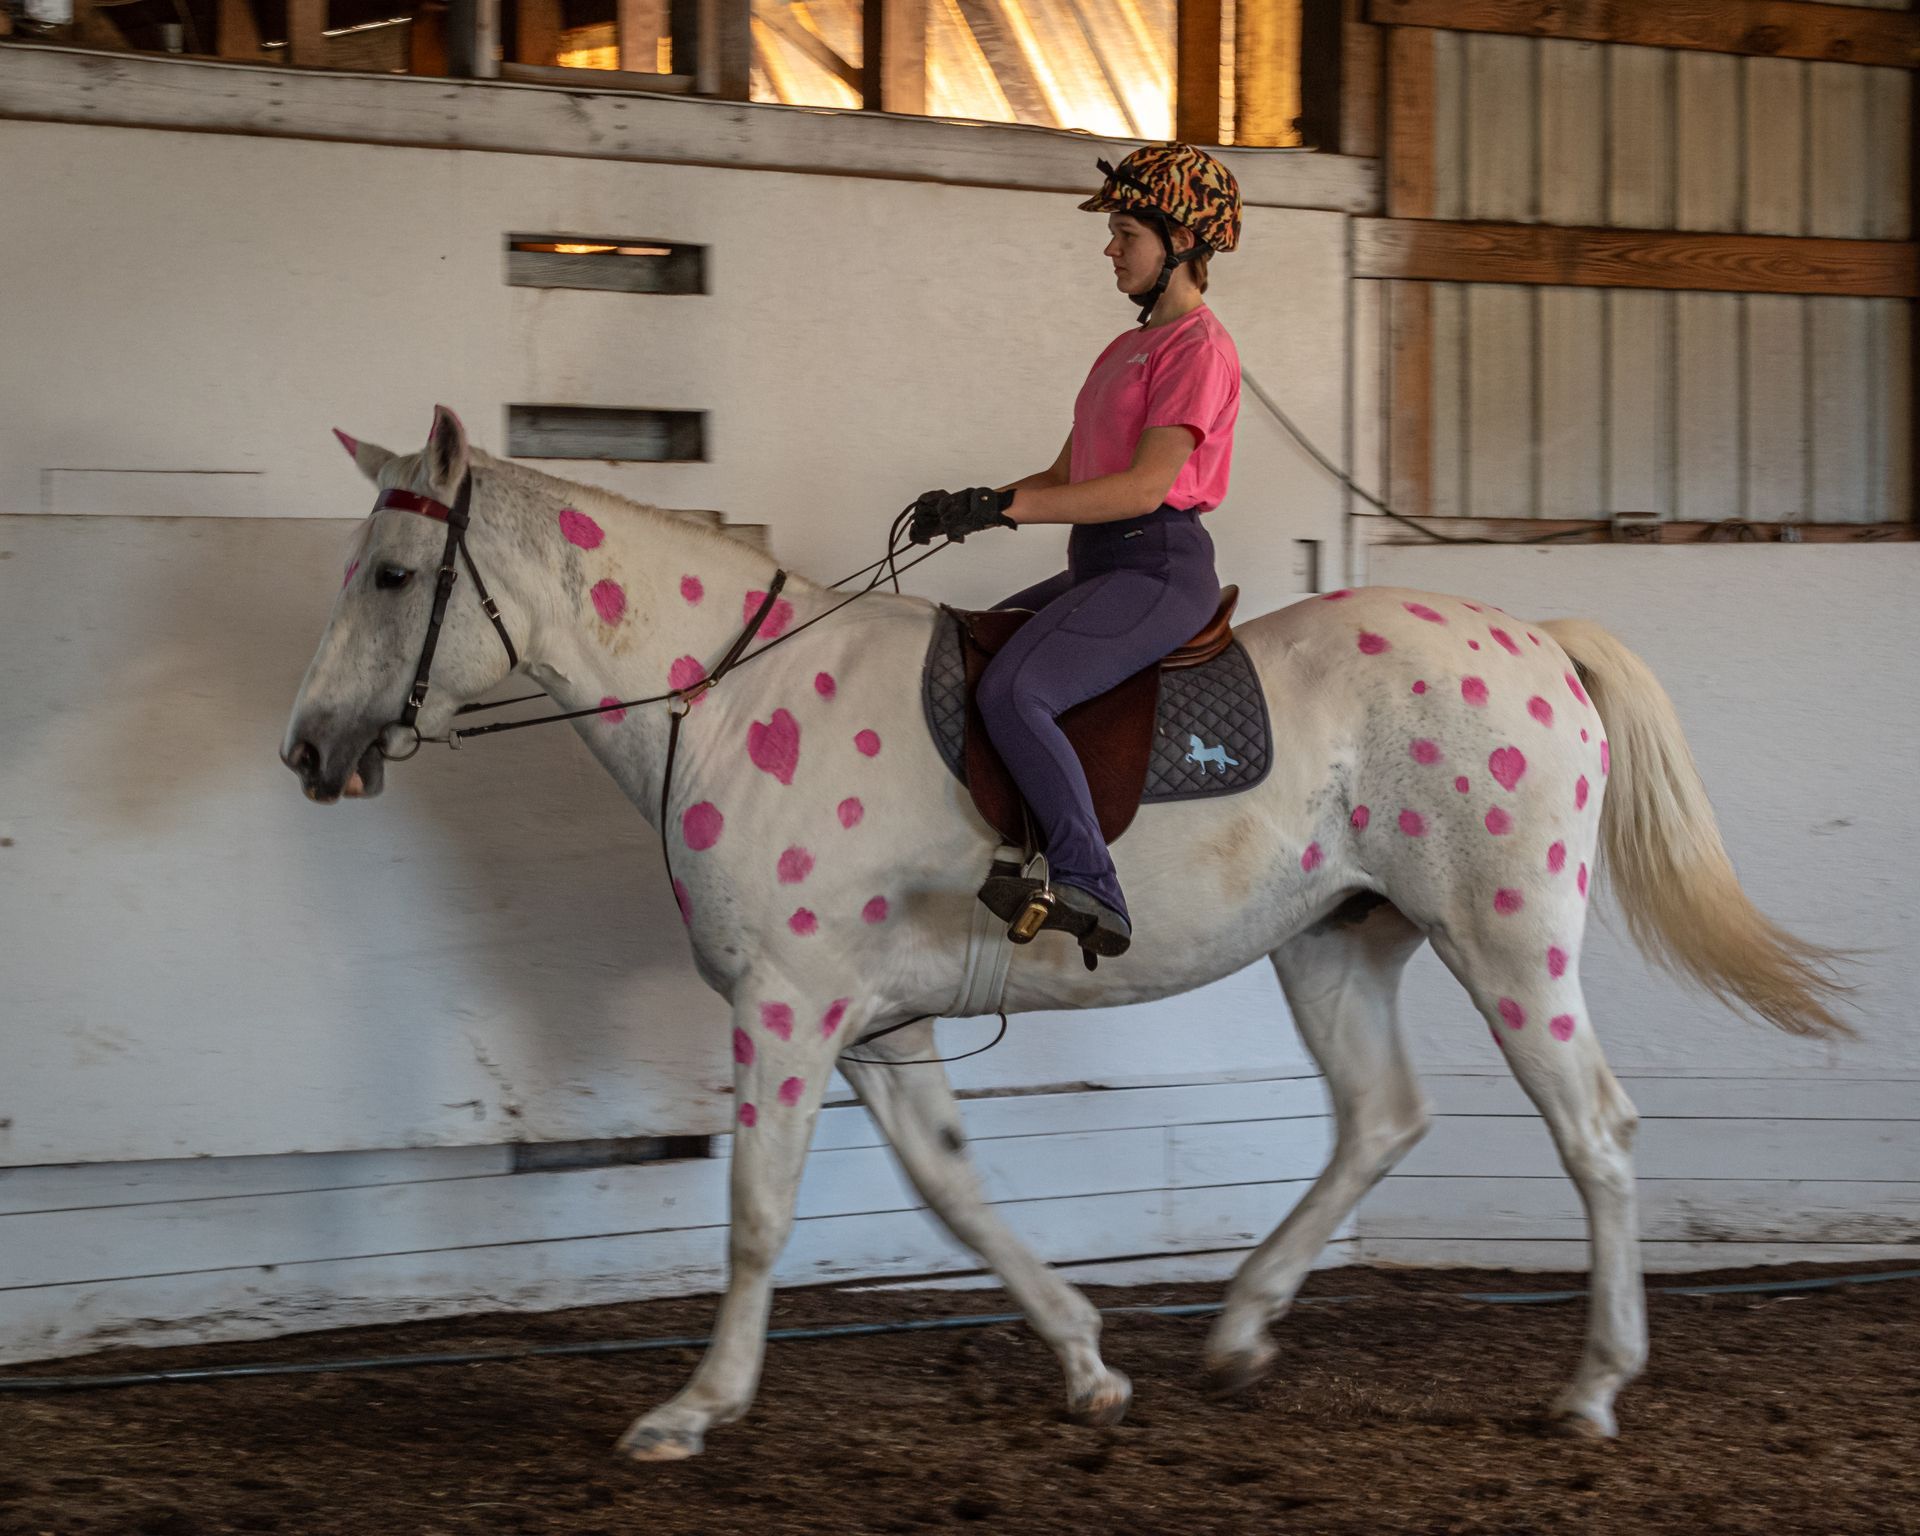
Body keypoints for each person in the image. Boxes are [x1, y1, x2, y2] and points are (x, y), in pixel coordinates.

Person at [910, 143, 1243, 959]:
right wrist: (976, 506)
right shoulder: (1123, 350)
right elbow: (1067, 475)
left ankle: (1092, 881)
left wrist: (1010, 506)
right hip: (1102, 559)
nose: (1110, 248)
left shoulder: (1197, 350)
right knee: (961, 649)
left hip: (1156, 564)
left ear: (1180, 241)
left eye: (1126, 232)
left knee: (1016, 692)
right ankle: (1011, 843)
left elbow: (1140, 488)